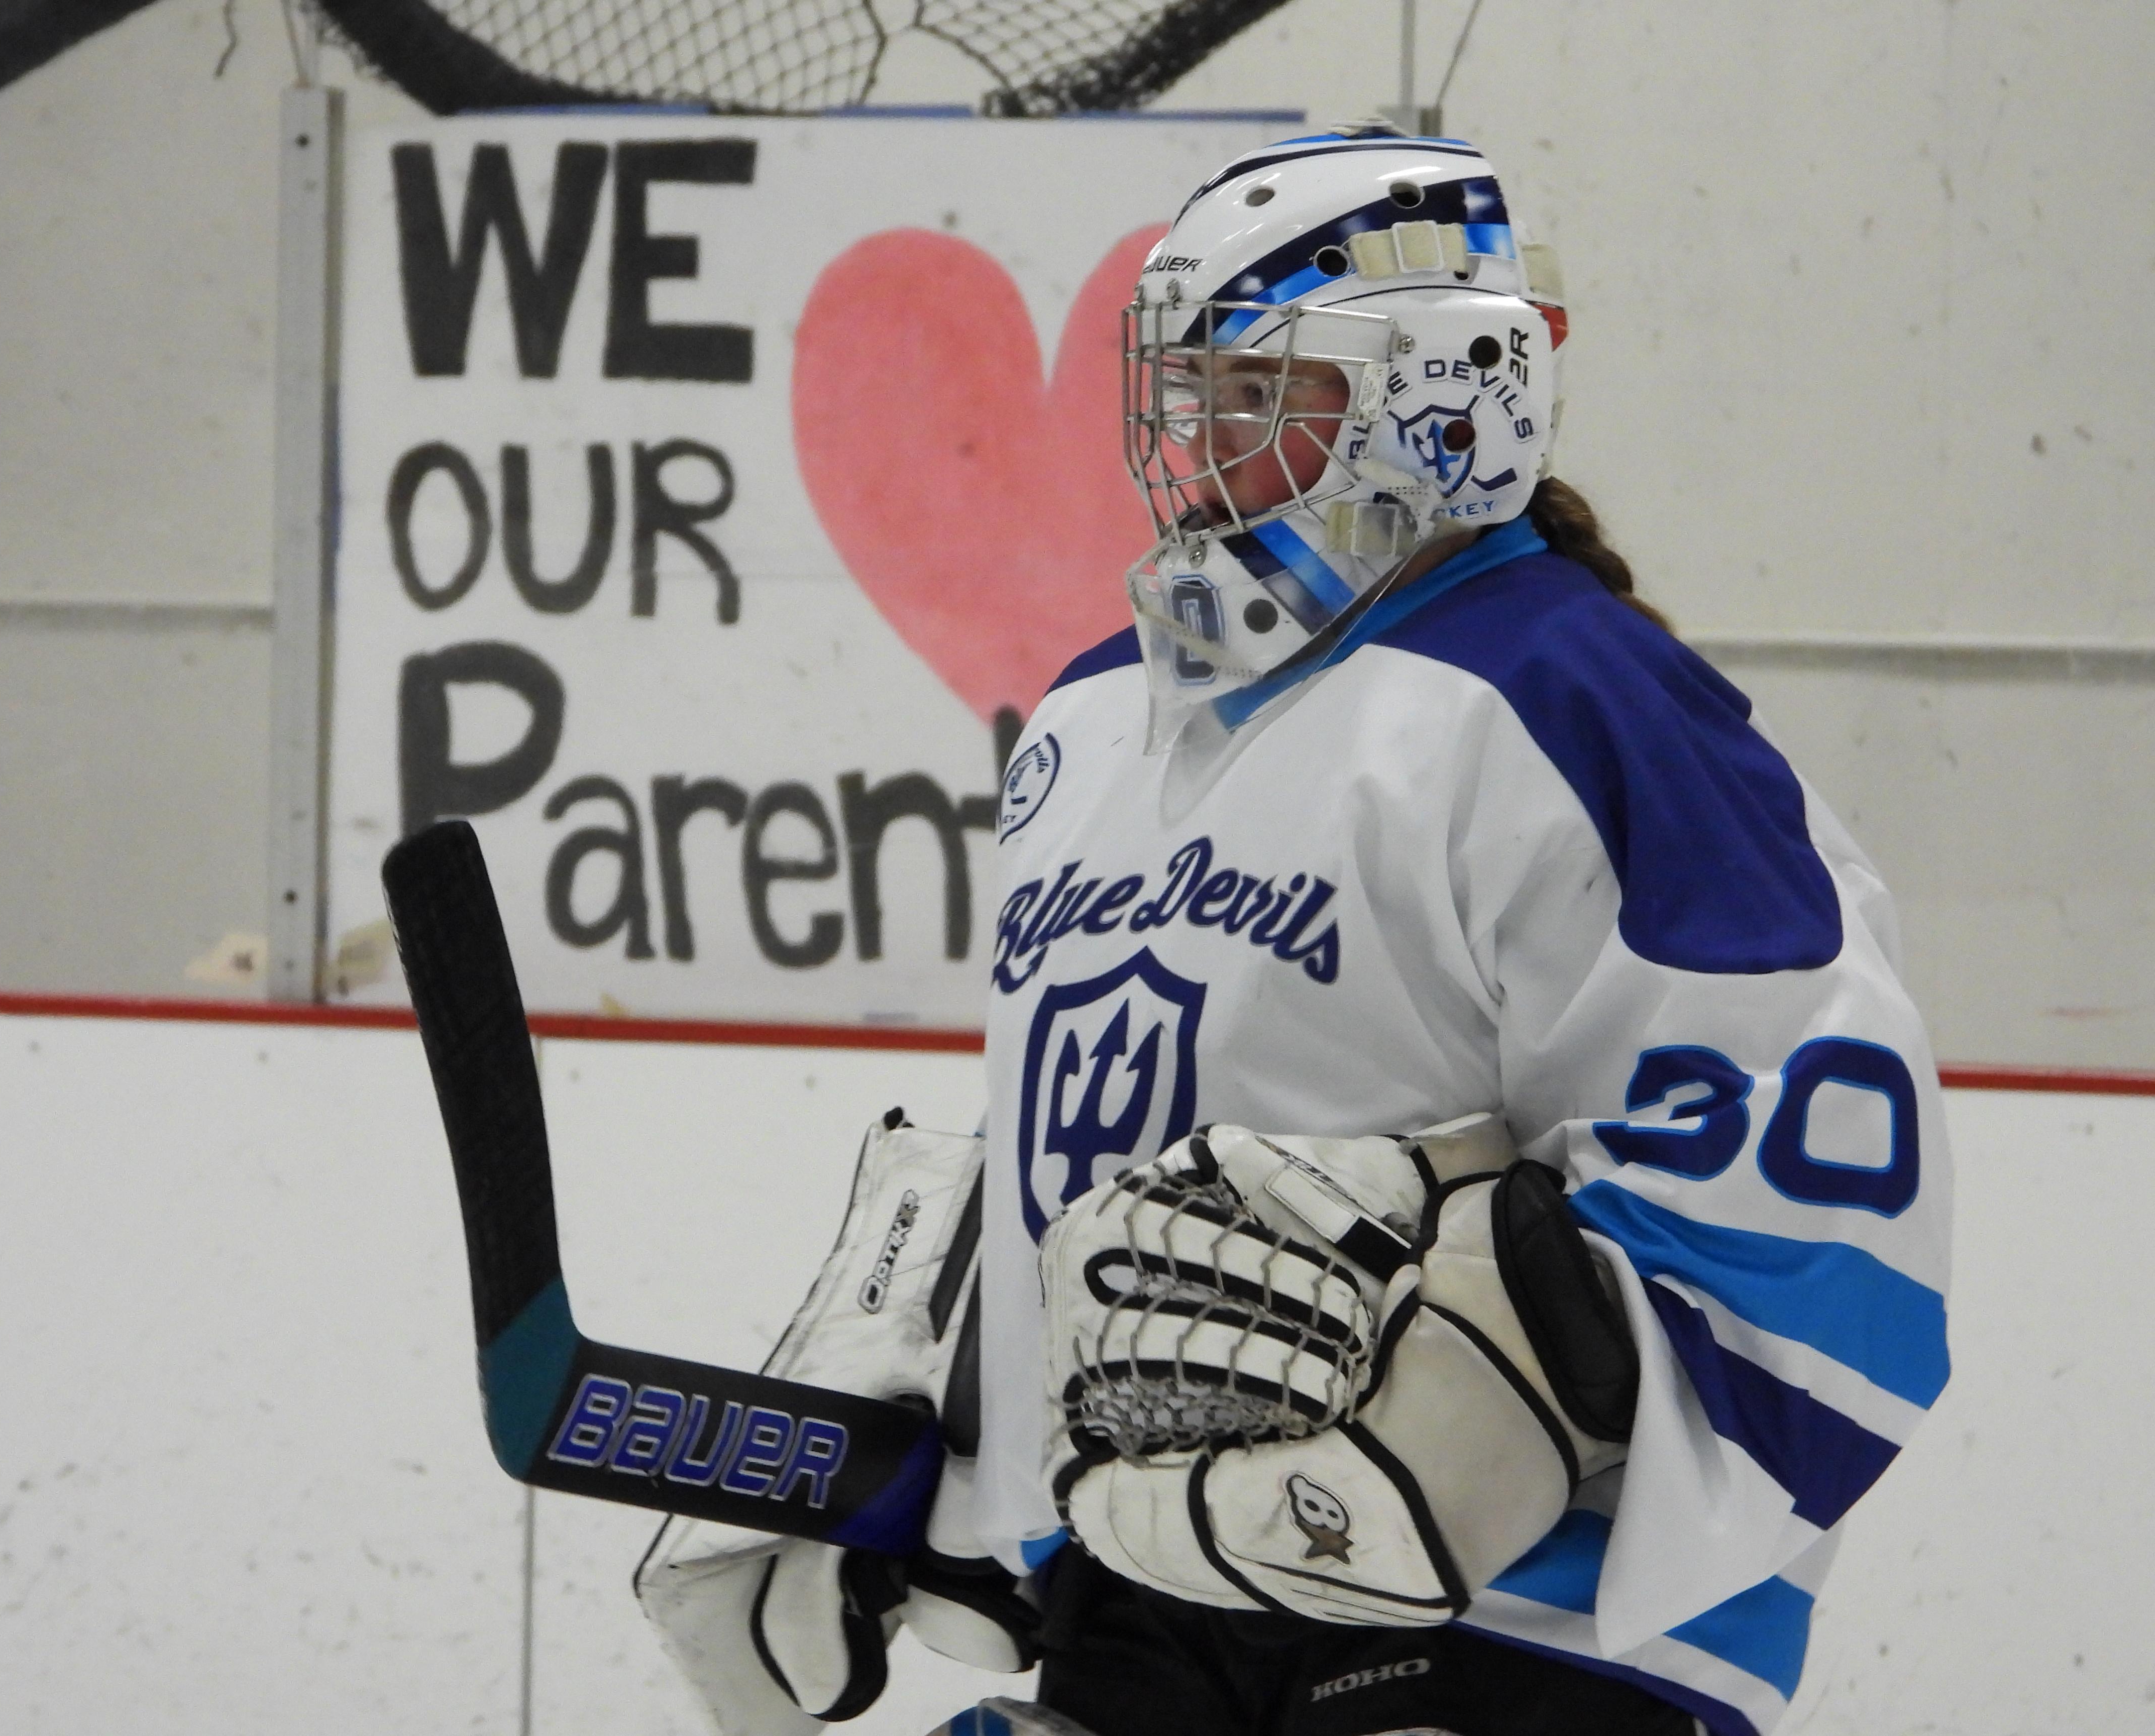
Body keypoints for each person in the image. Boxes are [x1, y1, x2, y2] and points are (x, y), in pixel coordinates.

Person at [636, 126, 1949, 1736]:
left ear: (1442, 392)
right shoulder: (1093, 719)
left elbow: (1818, 1156)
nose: (1203, 438)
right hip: (1138, 1602)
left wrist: (1481, 1415)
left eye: (1265, 392)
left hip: (1513, 1631)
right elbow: (1098, 1146)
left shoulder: (1573, 699)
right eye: (1190, 391)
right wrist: (945, 1483)